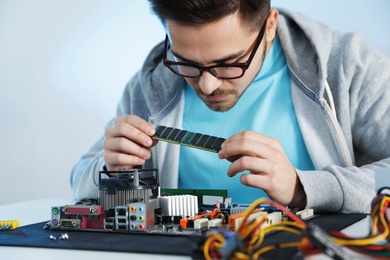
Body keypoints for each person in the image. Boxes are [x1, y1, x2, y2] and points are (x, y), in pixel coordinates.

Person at [70, 0, 390, 214]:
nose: (207, 86)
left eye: (228, 64)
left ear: (269, 27)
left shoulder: (347, 65)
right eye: (186, 62)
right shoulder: (150, 85)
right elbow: (80, 179)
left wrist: (304, 189)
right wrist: (108, 171)